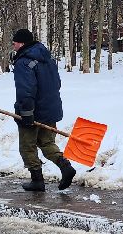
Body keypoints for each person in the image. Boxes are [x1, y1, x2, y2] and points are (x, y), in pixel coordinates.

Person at [11, 27, 75, 192]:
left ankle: (37, 181)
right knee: (47, 142)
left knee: (27, 146)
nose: (14, 46)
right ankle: (66, 167)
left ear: (22, 43)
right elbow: (57, 84)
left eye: (15, 43)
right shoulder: (47, 59)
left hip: (32, 111)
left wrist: (26, 113)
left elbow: (26, 90)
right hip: (51, 108)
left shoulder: (24, 62)